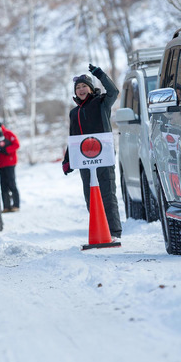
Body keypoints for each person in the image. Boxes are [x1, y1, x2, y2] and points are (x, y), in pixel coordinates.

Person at [62, 64, 122, 239]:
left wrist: (100, 74)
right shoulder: (74, 113)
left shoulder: (102, 102)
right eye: (78, 87)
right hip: (84, 159)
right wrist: (68, 160)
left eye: (84, 86)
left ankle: (114, 233)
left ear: (90, 88)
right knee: (91, 196)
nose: (81, 89)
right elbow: (73, 137)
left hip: (103, 156)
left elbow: (114, 91)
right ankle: (99, 230)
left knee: (107, 194)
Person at [0, 119, 20, 213]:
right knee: (3, 186)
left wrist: (7, 150)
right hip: (2, 164)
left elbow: (16, 145)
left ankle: (16, 205)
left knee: (12, 184)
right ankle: (6, 206)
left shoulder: (8, 133)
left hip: (10, 163)